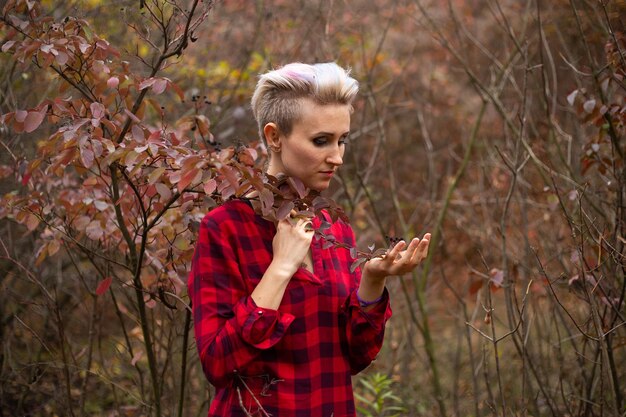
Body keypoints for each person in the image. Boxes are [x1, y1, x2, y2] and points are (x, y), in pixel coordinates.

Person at [188, 62, 431, 417]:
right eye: (321, 141)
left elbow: (353, 357)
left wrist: (373, 280)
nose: (337, 157)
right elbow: (217, 364)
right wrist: (281, 268)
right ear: (274, 137)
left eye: (341, 140)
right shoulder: (225, 228)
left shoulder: (333, 228)